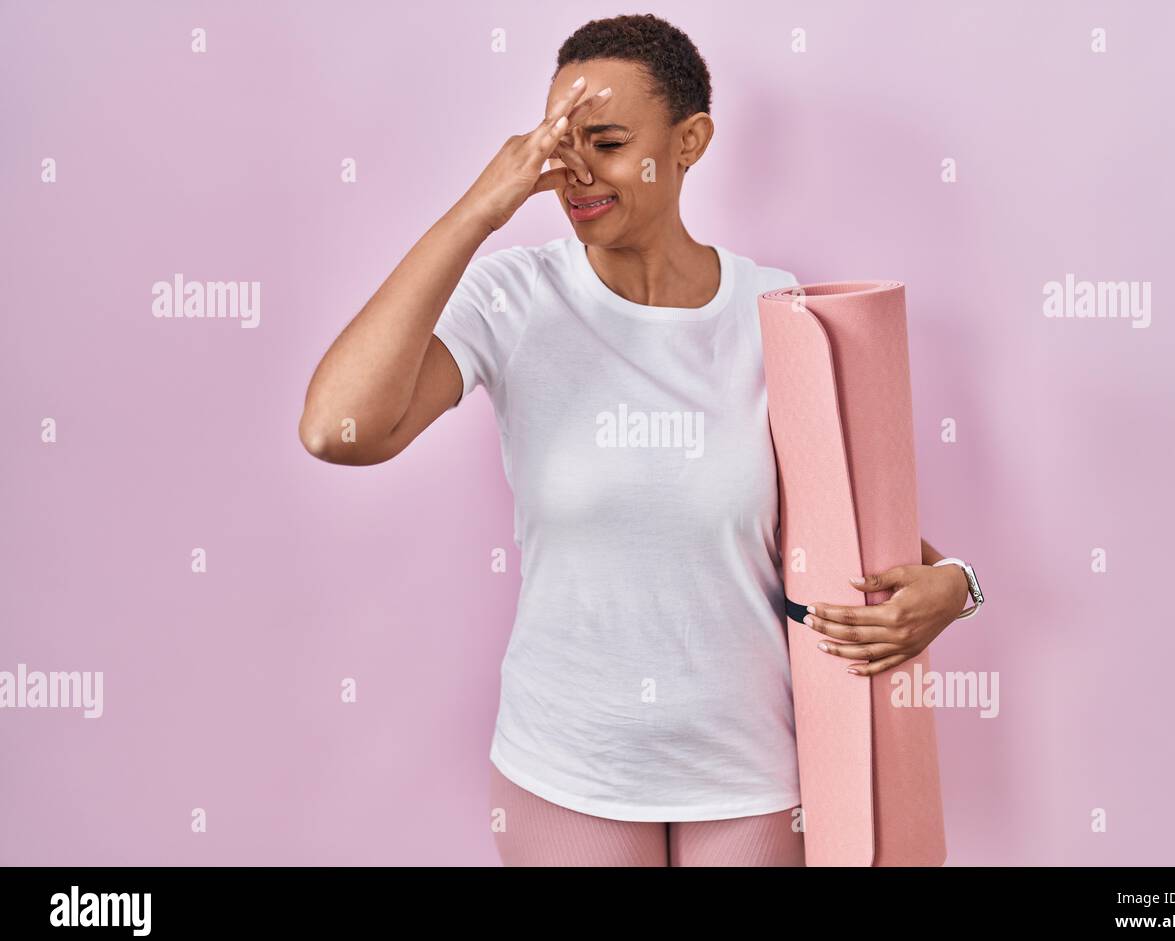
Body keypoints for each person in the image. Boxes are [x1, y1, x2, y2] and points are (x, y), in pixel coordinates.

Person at [298, 14, 977, 866]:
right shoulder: (515, 298)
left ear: (689, 141)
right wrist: (479, 210)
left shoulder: (773, 309)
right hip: (568, 771)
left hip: (752, 777)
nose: (575, 171)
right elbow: (337, 429)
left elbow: (828, 521)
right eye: (560, 143)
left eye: (608, 142)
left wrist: (956, 584)